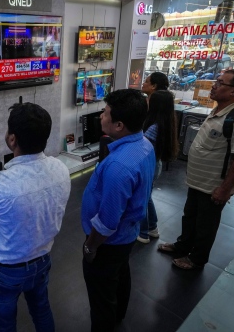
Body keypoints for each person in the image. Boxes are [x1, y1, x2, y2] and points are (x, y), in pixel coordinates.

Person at [0, 102, 71, 332]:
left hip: (5, 271)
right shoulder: (61, 169)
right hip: (43, 259)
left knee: (4, 325)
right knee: (42, 311)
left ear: (12, 139)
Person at [158, 69, 234, 270]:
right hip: (198, 182)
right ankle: (182, 246)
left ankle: (197, 258)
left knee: (206, 225)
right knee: (190, 216)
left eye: (220, 83)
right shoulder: (219, 111)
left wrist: (225, 189)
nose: (214, 85)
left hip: (214, 186)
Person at [81, 89, 155, 330]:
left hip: (108, 243)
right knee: (121, 276)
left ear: (119, 125)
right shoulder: (144, 144)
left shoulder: (118, 166)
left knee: (101, 297)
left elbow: (107, 221)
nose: (101, 116)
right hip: (127, 236)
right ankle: (119, 315)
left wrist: (90, 246)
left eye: (105, 113)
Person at [136, 89, 179, 243]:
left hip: (149, 166)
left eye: (150, 100)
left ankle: (143, 233)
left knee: (141, 199)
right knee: (147, 198)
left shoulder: (153, 127)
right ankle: (152, 227)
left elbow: (144, 149)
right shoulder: (166, 122)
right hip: (156, 164)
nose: (147, 101)